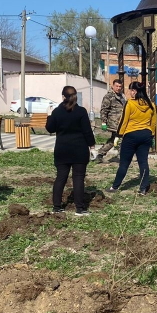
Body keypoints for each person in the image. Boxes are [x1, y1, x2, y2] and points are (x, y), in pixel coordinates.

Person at [46, 85, 96, 215]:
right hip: (79, 149)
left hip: (62, 149)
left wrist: (49, 116)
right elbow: (87, 131)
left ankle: (57, 207)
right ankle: (80, 209)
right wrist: (92, 146)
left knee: (61, 178)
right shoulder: (81, 111)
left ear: (63, 96)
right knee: (78, 178)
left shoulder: (57, 112)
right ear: (75, 96)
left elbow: (50, 129)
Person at [108, 81, 156, 195]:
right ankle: (143, 188)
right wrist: (151, 135)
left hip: (131, 135)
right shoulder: (151, 105)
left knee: (124, 163)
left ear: (134, 91)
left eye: (130, 90)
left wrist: (118, 135)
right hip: (146, 135)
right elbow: (153, 123)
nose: (129, 93)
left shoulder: (130, 103)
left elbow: (124, 120)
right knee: (143, 162)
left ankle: (115, 187)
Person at [96, 79, 126, 163]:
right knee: (121, 139)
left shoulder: (122, 96)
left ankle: (100, 154)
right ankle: (122, 159)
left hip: (121, 122)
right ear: (112, 86)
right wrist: (103, 122)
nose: (118, 88)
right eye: (116, 86)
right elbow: (104, 110)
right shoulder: (108, 96)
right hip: (114, 122)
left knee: (113, 140)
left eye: (120, 86)